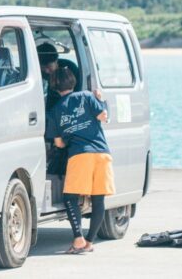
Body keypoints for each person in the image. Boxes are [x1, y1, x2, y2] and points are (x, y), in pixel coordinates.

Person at [46, 67, 115, 254]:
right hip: (102, 153)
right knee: (98, 198)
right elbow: (104, 117)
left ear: (54, 86)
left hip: (79, 155)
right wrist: (101, 101)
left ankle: (78, 239)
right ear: (73, 81)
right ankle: (90, 242)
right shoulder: (87, 96)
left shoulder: (54, 111)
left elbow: (59, 144)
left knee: (70, 197)